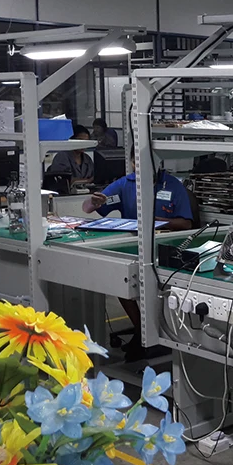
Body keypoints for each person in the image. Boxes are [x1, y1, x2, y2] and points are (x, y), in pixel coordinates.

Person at [82, 146, 193, 361]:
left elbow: (186, 223)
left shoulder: (172, 186)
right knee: (119, 281)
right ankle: (142, 330)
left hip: (165, 248)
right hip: (134, 247)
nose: (139, 166)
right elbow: (89, 207)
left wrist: (156, 222)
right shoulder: (125, 184)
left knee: (156, 288)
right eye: (136, 161)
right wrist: (93, 203)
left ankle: (154, 332)